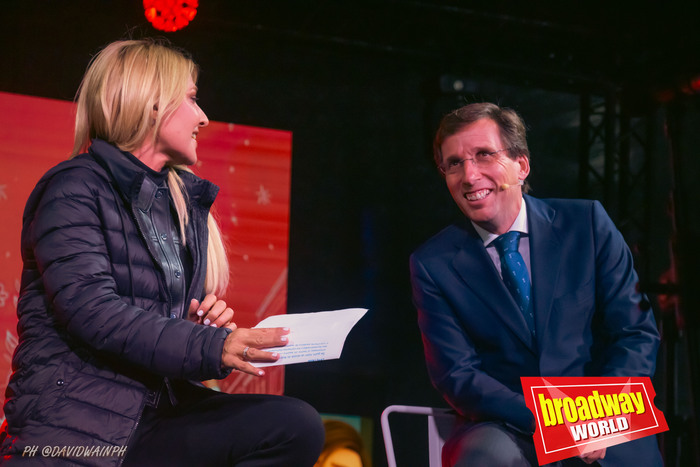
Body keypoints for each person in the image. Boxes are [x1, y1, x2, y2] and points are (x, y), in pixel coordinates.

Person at [0, 38, 324, 466]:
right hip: (74, 427)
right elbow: (93, 312)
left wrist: (188, 323)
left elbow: (142, 316)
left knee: (295, 426)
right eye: (191, 98)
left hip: (154, 413)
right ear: (151, 104)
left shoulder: (180, 204)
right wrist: (211, 345)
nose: (204, 117)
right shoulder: (74, 187)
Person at [409, 102, 662, 466]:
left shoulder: (587, 224)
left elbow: (636, 332)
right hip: (510, 424)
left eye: (483, 155)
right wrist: (549, 419)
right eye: (454, 164)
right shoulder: (432, 264)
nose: (469, 175)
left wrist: (599, 417)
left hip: (605, 415)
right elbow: (456, 373)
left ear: (521, 165)